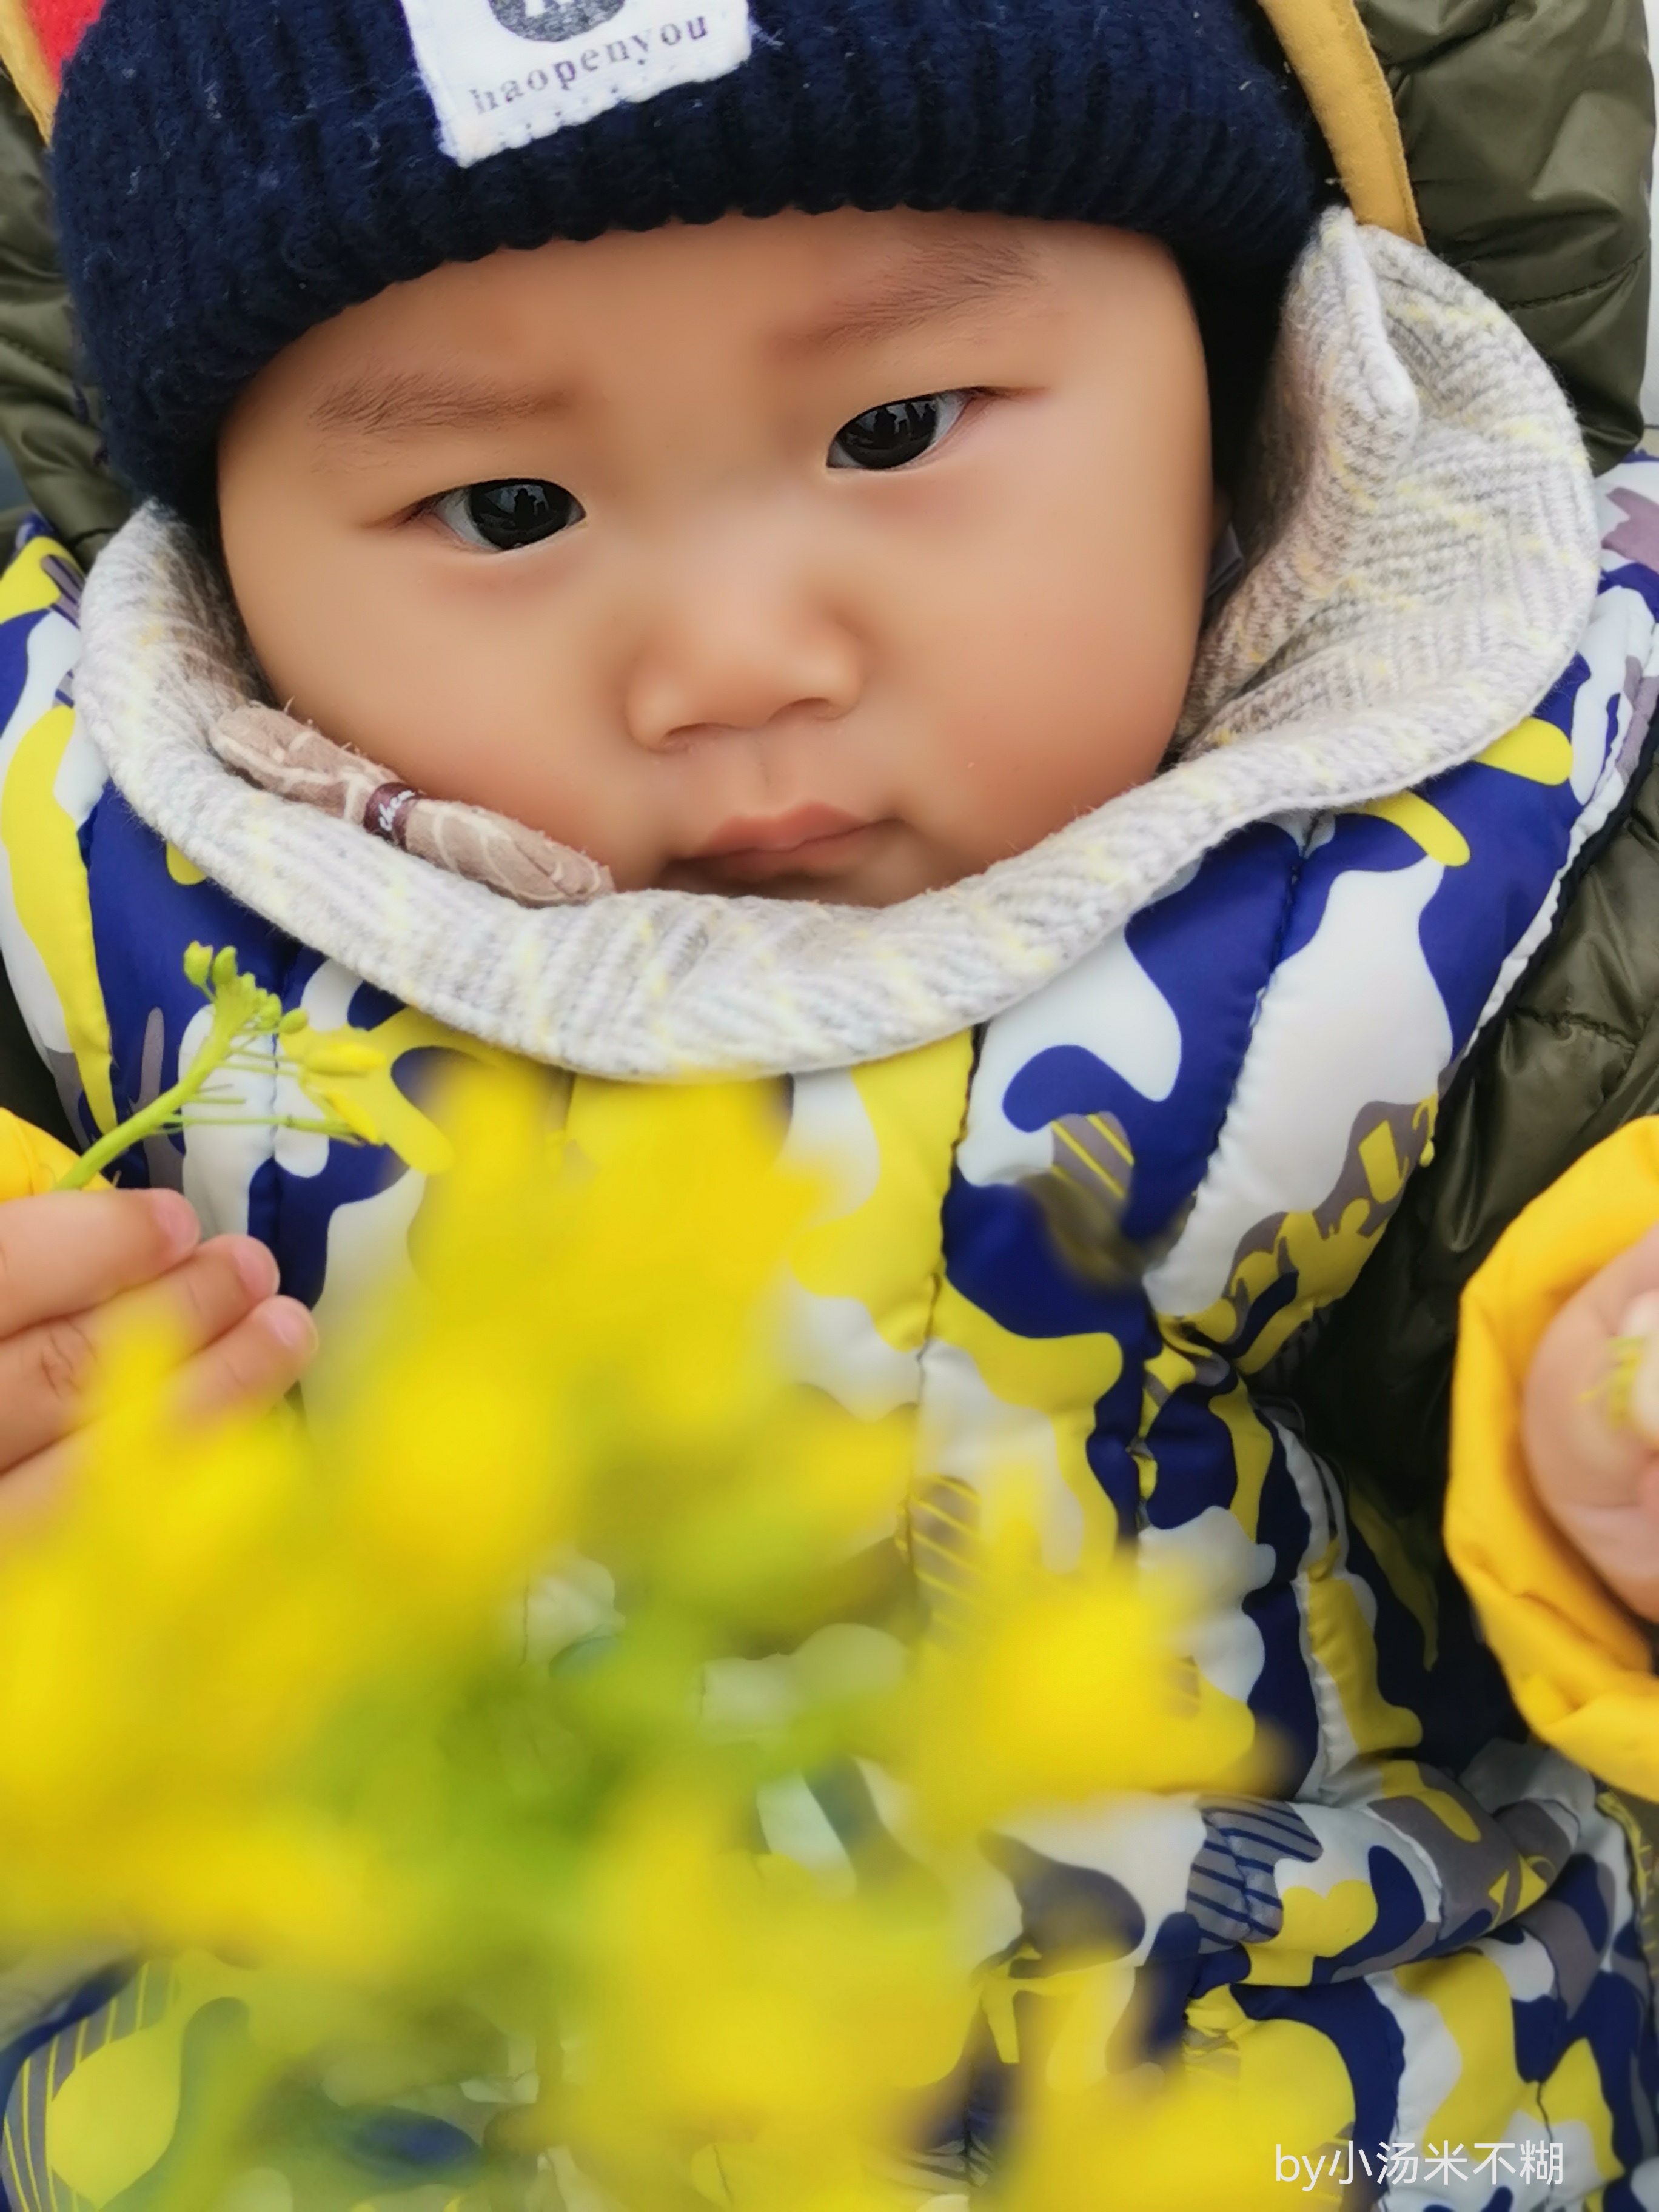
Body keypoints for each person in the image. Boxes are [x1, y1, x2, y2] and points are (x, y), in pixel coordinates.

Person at [0, 0, 1655, 2201]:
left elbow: (1573, 1205)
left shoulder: (1454, 843)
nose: (737, 659)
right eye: (506, 507)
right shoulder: (98, 909)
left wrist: (1599, 1410)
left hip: (1317, 2106)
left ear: (1237, 408)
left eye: (893, 430)